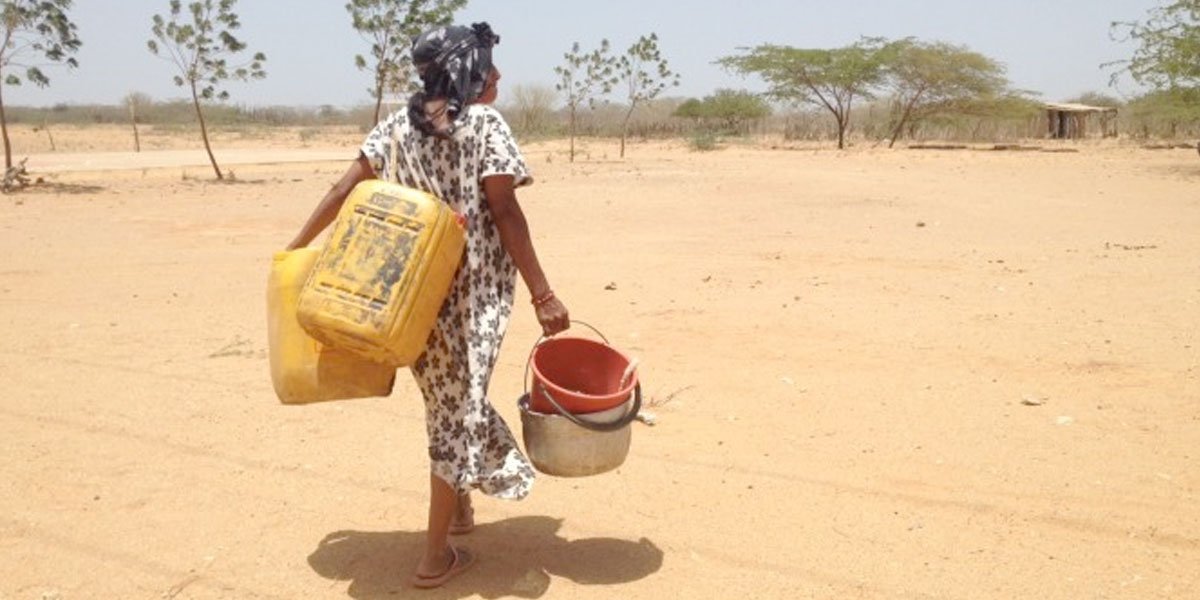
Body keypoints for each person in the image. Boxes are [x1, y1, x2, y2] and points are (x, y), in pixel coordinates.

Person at [284, 22, 569, 589]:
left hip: (408, 304)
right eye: (488, 65)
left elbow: (342, 191)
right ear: (466, 72)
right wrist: (543, 293)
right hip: (472, 301)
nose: (498, 75)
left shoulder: (394, 127)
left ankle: (460, 510)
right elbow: (506, 212)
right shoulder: (484, 124)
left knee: (448, 403)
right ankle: (433, 557)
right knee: (456, 411)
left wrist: (292, 251)